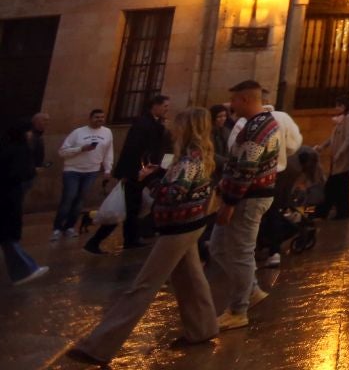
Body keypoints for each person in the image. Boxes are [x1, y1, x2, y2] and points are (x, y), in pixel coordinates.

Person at [64, 106, 220, 362]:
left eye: (177, 124)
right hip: (193, 222)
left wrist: (149, 180)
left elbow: (172, 194)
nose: (172, 129)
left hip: (178, 227)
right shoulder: (199, 156)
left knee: (143, 286)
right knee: (191, 279)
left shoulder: (189, 160)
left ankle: (99, 347)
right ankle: (203, 328)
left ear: (187, 128)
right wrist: (160, 175)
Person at [209, 80, 280, 330]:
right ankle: (251, 290)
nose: (231, 106)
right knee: (218, 247)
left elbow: (247, 167)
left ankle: (238, 310)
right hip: (243, 195)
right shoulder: (256, 124)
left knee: (240, 254)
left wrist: (229, 202)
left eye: (234, 100)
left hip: (249, 197)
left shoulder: (258, 128)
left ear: (246, 100)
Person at [86, 93, 171, 254]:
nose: (167, 109)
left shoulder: (154, 123)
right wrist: (135, 171)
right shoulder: (143, 123)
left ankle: (131, 239)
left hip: (144, 172)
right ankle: (98, 241)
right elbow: (134, 149)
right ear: (155, 106)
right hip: (137, 172)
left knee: (133, 207)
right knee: (126, 207)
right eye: (165, 106)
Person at [3, 116, 49, 285]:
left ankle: (26, 269)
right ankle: (25, 271)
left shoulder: (9, 147)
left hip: (7, 197)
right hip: (7, 198)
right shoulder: (18, 150)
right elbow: (18, 173)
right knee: (7, 238)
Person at [54, 109, 113, 239]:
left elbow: (109, 152)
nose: (99, 119)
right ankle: (57, 228)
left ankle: (70, 226)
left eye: (102, 117)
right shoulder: (78, 132)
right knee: (69, 198)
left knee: (80, 200)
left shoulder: (107, 132)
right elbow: (62, 152)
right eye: (97, 117)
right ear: (90, 118)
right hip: (72, 170)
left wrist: (108, 169)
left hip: (91, 171)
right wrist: (81, 149)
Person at [320, 99, 349, 221]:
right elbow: (333, 137)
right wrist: (322, 146)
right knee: (338, 186)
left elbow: (348, 139)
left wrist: (339, 153)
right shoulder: (343, 119)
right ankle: (337, 211)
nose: (336, 108)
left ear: (344, 106)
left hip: (345, 159)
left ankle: (328, 211)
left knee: (336, 185)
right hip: (339, 158)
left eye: (338, 106)